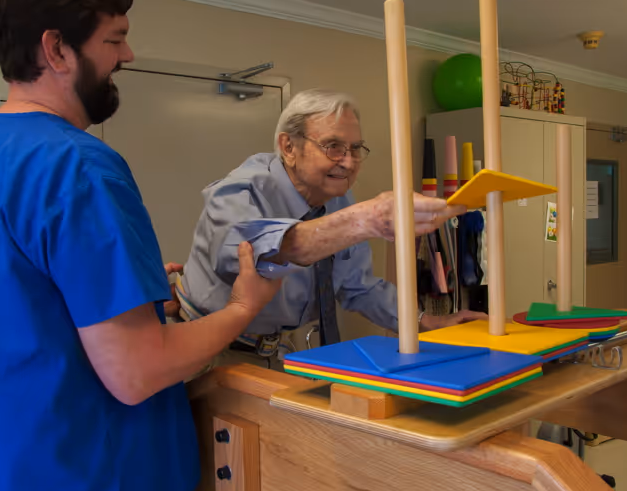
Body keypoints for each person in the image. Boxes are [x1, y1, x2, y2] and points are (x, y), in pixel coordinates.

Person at [0, 0, 280, 491]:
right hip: (91, 477)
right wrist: (243, 308)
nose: (127, 56)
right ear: (56, 49)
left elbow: (32, 312)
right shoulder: (78, 165)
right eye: (114, 39)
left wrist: (138, 305)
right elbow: (138, 372)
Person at [178, 89, 487, 367]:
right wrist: (364, 220)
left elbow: (358, 286)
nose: (349, 163)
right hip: (205, 352)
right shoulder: (240, 191)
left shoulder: (336, 197)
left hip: (275, 351)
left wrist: (426, 321)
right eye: (333, 147)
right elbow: (256, 254)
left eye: (355, 149)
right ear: (289, 147)